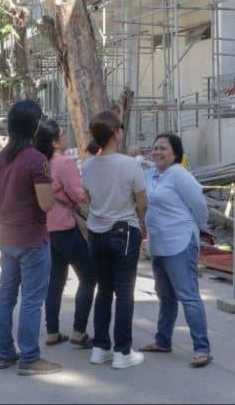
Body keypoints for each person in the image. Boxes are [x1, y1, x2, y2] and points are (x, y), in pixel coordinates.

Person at [0, 100, 62, 376]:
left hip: (8, 236)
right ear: (34, 125)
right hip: (32, 238)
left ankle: (4, 352)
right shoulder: (36, 160)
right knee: (32, 299)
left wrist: (6, 216)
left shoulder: (0, 158)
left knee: (6, 295)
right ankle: (30, 358)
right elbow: (46, 204)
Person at [81, 110, 147, 370]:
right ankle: (123, 350)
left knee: (104, 290)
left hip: (96, 232)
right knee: (125, 293)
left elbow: (87, 197)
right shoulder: (130, 165)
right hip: (124, 231)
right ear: (116, 133)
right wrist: (140, 220)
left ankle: (100, 347)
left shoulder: (87, 165)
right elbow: (143, 202)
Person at [139, 132, 212, 368]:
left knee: (188, 296)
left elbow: (199, 205)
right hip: (158, 243)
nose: (157, 152)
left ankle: (202, 348)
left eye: (163, 148)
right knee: (166, 296)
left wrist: (199, 227)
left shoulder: (179, 175)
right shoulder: (150, 174)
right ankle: (163, 340)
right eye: (155, 148)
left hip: (180, 242)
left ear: (175, 153)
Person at [41, 118, 96, 350]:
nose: (66, 138)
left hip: (46, 229)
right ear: (54, 142)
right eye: (62, 134)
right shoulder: (63, 163)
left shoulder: (39, 162)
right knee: (88, 276)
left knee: (55, 282)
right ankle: (78, 331)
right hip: (65, 226)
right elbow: (78, 194)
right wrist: (89, 192)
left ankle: (52, 332)